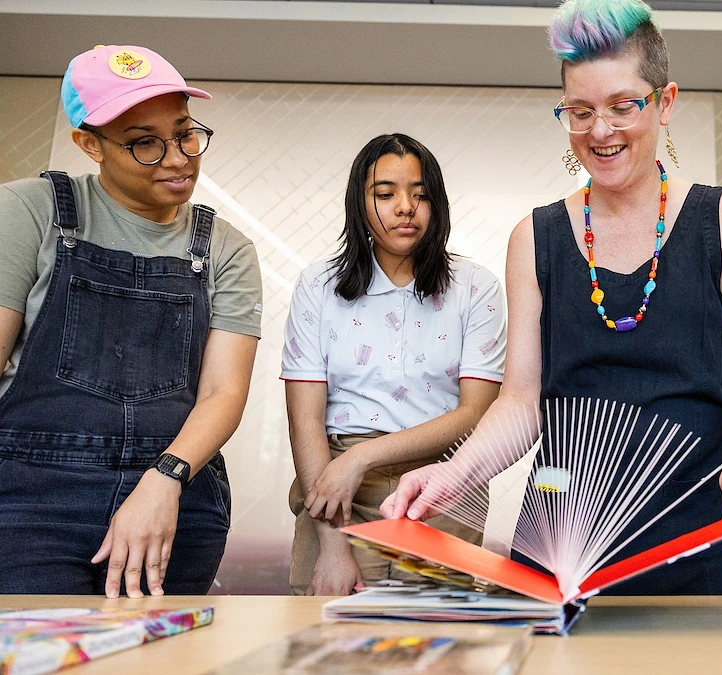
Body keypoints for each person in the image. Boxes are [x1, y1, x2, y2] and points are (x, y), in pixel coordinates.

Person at [381, 0, 722, 595]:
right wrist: (456, 472)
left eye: (623, 106)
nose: (600, 131)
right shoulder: (535, 237)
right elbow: (523, 401)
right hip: (562, 544)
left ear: (665, 102)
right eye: (580, 112)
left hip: (704, 531)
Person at [0, 45, 262, 597]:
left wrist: (164, 480)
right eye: (145, 142)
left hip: (176, 497)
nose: (178, 157)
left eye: (186, 132)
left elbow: (222, 392)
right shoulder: (30, 211)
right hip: (32, 501)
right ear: (89, 143)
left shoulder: (226, 249)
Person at [282, 134, 506, 596]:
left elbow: (473, 415)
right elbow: (304, 419)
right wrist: (332, 547)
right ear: (360, 204)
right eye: (385, 194)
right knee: (333, 656)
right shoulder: (317, 287)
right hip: (337, 492)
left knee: (442, 656)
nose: (405, 207)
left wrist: (364, 457)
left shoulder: (475, 287)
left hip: (443, 488)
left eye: (420, 194)